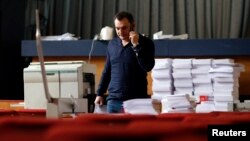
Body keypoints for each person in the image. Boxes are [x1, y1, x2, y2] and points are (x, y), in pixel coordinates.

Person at [94, 11, 155, 113]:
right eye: (117, 28)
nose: (120, 32)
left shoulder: (146, 43)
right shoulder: (112, 44)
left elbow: (148, 66)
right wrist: (100, 93)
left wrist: (136, 46)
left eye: (124, 28)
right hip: (114, 100)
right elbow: (107, 70)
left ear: (133, 26)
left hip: (137, 101)